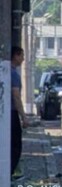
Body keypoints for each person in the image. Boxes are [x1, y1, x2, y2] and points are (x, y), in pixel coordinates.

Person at [7, 47, 27, 179]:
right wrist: (24, 117)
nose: (23, 59)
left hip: (6, 113)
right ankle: (9, 172)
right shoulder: (13, 73)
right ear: (16, 55)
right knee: (15, 144)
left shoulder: (5, 71)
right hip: (11, 113)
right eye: (22, 56)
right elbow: (16, 96)